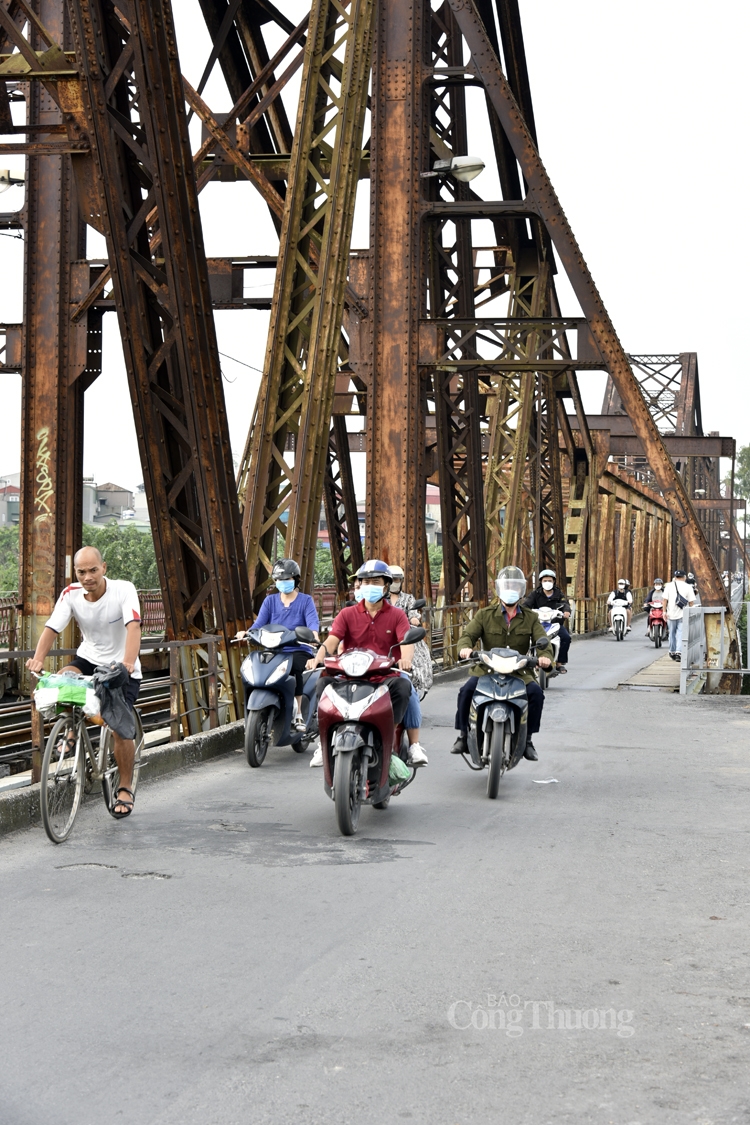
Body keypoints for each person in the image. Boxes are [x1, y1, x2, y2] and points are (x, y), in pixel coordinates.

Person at [26, 546, 143, 818]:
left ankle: (124, 787)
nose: (87, 576)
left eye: (93, 570)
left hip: (120, 666)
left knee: (119, 728)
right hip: (89, 658)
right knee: (64, 680)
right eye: (81, 571)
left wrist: (127, 663)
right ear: (75, 572)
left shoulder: (123, 589)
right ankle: (70, 728)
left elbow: (133, 627)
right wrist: (38, 659)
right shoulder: (71, 594)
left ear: (104, 568)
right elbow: (52, 628)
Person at [308, 559, 428, 768]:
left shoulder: (398, 615)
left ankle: (408, 742)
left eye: (375, 581)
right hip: (351, 674)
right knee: (323, 683)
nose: (369, 586)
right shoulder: (347, 614)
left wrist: (406, 660)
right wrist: (318, 657)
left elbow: (406, 641)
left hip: (385, 675)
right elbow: (332, 640)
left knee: (405, 687)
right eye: (364, 582)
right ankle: (323, 741)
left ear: (385, 586)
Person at [452, 566, 553, 762]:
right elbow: (467, 636)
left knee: (536, 694)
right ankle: (463, 736)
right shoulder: (484, 614)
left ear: (521, 590)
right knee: (466, 692)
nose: (511, 590)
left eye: (515, 586)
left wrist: (545, 658)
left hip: (519, 670)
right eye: (507, 586)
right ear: (499, 588)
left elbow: (543, 641)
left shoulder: (531, 617)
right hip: (486, 669)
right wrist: (465, 649)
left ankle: (528, 740)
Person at [236, 559, 319, 730]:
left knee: (295, 668)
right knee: (256, 666)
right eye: (280, 580)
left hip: (298, 648)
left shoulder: (306, 601)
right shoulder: (270, 601)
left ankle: (298, 715)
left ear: (296, 580)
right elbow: (258, 624)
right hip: (274, 648)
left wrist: (312, 636)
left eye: (287, 579)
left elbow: (313, 625)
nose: (283, 583)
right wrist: (247, 633)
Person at [387, 564, 433, 698]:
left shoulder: (408, 598)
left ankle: (417, 687)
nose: (395, 583)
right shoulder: (381, 599)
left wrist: (413, 618)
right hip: (386, 633)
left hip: (404, 633)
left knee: (419, 657)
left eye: (397, 580)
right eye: (392, 580)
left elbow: (413, 612)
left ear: (401, 581)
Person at [522, 568, 571, 673]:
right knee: (523, 636)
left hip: (554, 623)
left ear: (554, 581)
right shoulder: (535, 594)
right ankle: (524, 660)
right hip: (537, 623)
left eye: (550, 580)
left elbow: (565, 604)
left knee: (566, 637)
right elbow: (526, 605)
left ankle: (559, 663)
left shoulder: (559, 594)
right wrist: (523, 612)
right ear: (541, 581)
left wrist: (566, 611)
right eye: (545, 580)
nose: (547, 582)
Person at [663, 568, 695, 661]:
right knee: (681, 633)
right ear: (684, 577)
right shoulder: (688, 587)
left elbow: (664, 600)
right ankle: (678, 651)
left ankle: (672, 651)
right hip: (683, 614)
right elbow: (691, 602)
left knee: (671, 633)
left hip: (670, 614)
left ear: (675, 577)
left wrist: (664, 612)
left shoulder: (669, 586)